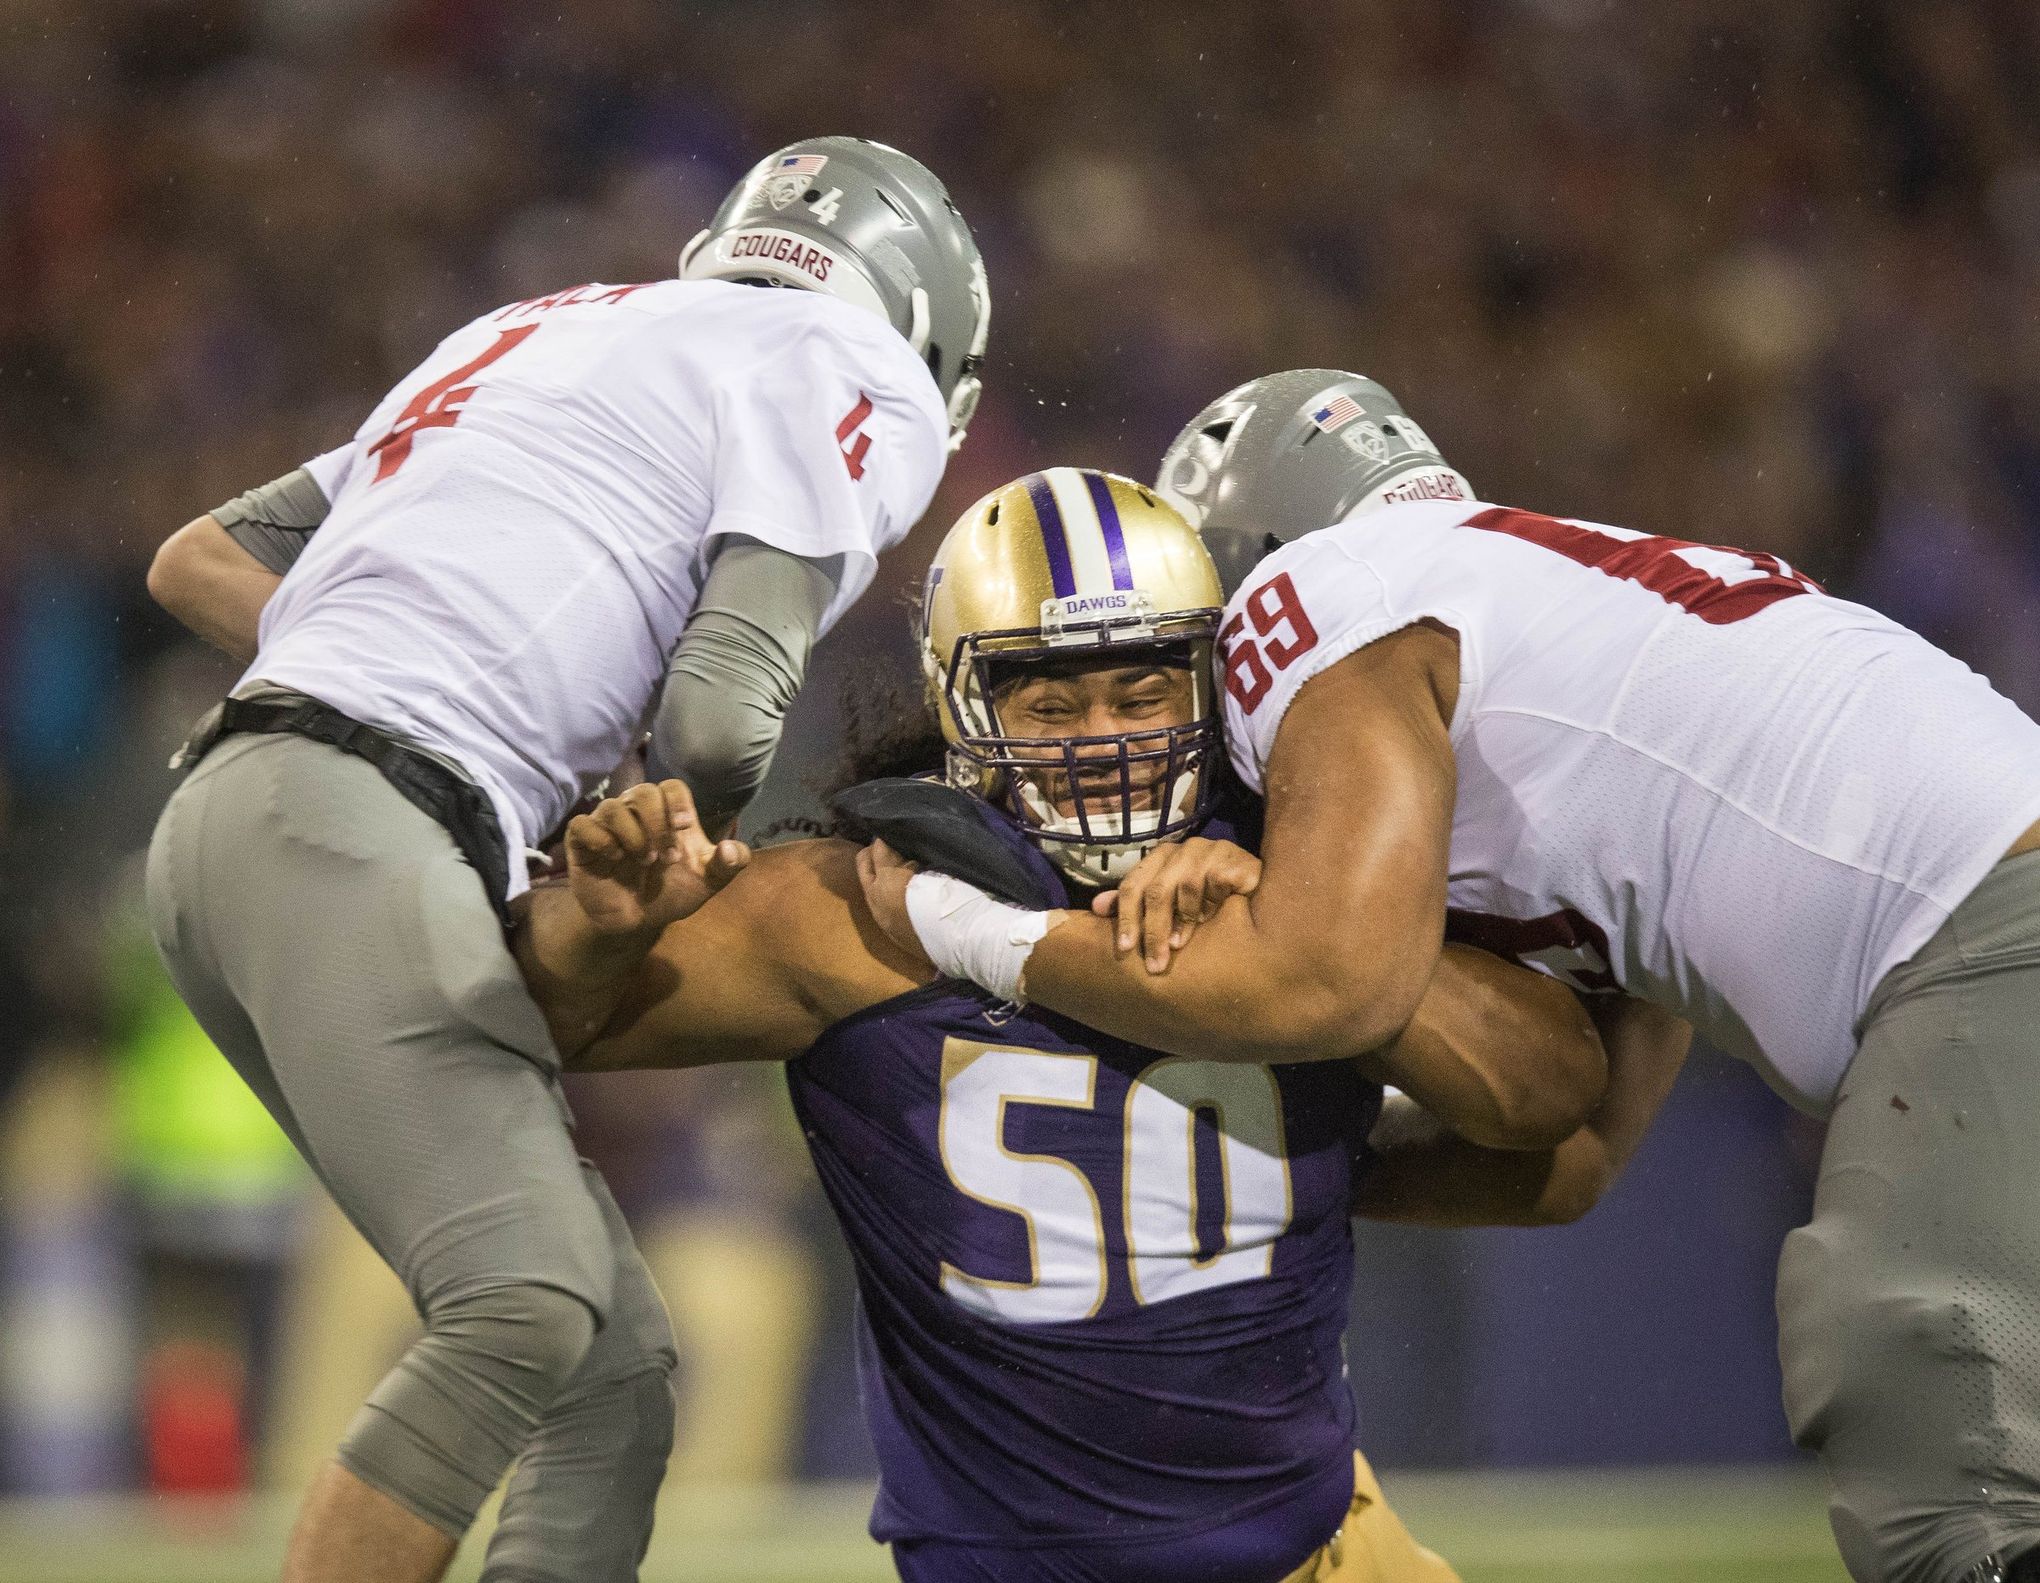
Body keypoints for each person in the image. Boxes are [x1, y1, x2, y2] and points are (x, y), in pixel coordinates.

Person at [865, 373, 2040, 1583]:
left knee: (1937, 1426)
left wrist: (975, 932)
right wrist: (1258, 1172)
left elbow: (1334, 984)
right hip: (1981, 917)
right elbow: (1570, 1154)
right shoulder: (1570, 656)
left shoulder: (1325, 592)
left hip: (1984, 937)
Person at [515, 469, 1613, 1583]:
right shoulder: (854, 914)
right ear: (964, 706)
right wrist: (592, 934)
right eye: (1051, 705)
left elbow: (1549, 1103)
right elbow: (517, 1022)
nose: (1104, 741)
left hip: (1332, 1547)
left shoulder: (1295, 864)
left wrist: (1307, 944)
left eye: (1142, 694)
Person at [143, 136, 987, 1583]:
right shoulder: (852, 363)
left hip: (263, 812)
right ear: (924, 328)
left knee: (613, 1367)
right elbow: (723, 713)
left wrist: (407, 674)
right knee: (524, 1299)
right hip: (355, 819)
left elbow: (194, 561)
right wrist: (647, 817)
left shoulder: (539, 326)